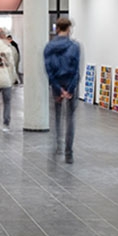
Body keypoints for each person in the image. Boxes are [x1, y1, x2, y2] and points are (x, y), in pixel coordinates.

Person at [44, 16, 81, 162]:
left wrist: (58, 89)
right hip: (70, 83)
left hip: (56, 84)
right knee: (70, 118)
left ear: (57, 29)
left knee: (56, 116)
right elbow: (76, 70)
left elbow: (49, 70)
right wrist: (69, 90)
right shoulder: (75, 47)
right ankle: (68, 152)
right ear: (69, 29)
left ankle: (57, 145)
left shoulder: (49, 47)